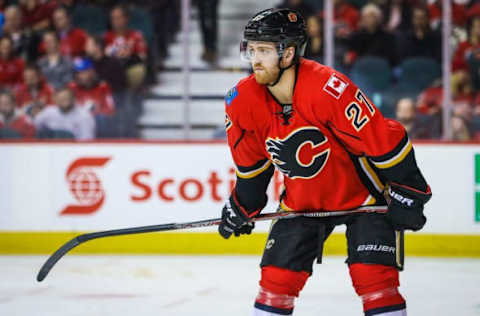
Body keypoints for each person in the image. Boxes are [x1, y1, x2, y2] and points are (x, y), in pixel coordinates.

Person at [218, 8, 432, 316]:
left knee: (374, 278)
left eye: (263, 50)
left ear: (288, 53)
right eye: (251, 50)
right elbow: (252, 166)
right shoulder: (241, 101)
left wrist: (410, 190)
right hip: (302, 203)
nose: (255, 59)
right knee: (276, 283)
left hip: (364, 198)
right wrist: (242, 206)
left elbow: (382, 139)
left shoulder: (328, 88)